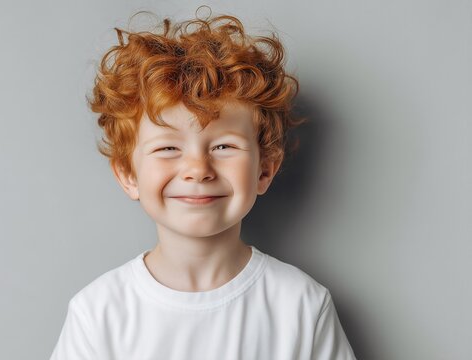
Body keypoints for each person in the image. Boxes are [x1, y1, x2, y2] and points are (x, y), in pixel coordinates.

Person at [50, 7, 356, 360]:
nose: (197, 169)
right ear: (128, 175)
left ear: (265, 170)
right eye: (168, 148)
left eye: (223, 146)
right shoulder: (98, 313)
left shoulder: (302, 305)